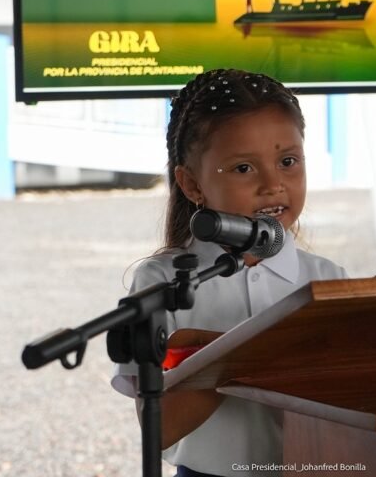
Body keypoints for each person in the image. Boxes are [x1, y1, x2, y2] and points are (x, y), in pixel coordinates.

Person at [111, 68, 348, 477]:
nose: (273, 184)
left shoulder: (329, 280)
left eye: (288, 161)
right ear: (190, 183)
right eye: (243, 168)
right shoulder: (161, 282)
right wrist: (248, 357)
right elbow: (160, 429)